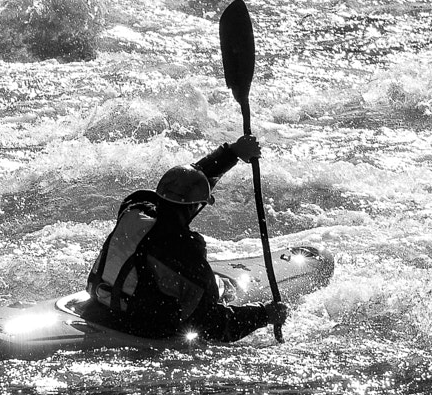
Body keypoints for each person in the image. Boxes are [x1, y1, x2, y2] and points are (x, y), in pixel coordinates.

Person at [82, 134, 289, 345]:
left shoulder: (134, 208)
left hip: (98, 308)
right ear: (193, 207)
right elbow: (212, 325)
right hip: (142, 328)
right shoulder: (184, 250)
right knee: (205, 302)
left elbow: (185, 181)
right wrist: (263, 315)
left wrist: (233, 152)